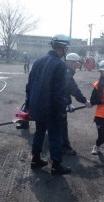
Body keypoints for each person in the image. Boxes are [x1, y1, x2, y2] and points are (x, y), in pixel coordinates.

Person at [25, 34, 71, 175]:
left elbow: (29, 85)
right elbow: (58, 91)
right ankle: (56, 165)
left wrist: (28, 103)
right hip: (51, 108)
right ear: (62, 49)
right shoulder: (60, 65)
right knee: (55, 136)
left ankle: (35, 159)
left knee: (39, 132)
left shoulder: (38, 61)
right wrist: (61, 110)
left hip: (37, 107)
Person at [62, 53, 92, 155]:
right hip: (56, 103)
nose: (78, 66)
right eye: (77, 63)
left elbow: (66, 90)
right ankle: (64, 147)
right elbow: (73, 89)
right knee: (62, 124)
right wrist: (85, 101)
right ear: (71, 63)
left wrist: (69, 103)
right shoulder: (66, 72)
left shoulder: (65, 69)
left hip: (54, 100)